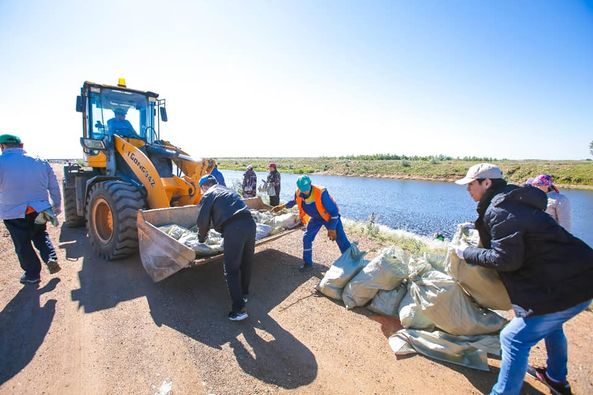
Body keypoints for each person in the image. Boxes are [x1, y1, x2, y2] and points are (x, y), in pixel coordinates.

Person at [454, 163, 593, 395]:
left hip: (569, 285)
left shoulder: (500, 210)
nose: (468, 189)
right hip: (579, 277)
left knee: (513, 338)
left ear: (486, 183)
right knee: (552, 326)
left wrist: (466, 253)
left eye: (471, 184)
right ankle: (556, 378)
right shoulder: (511, 202)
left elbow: (507, 259)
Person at [0, 134, 62, 284]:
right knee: (40, 234)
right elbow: (53, 185)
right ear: (21, 145)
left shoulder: (1, 162)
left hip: (13, 211)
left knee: (22, 243)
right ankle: (50, 257)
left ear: (2, 147)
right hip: (39, 209)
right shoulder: (40, 161)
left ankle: (32, 274)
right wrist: (57, 205)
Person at [196, 174, 256, 321]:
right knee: (246, 262)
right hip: (250, 224)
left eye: (201, 189)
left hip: (234, 228)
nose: (202, 191)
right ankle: (244, 295)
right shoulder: (228, 191)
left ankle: (239, 309)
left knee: (231, 269)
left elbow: (203, 221)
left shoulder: (209, 194)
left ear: (204, 186)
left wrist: (201, 238)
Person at [272, 175, 351, 272]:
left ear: (310, 184)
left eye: (306, 189)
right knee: (307, 238)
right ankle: (308, 264)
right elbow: (294, 201)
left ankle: (352, 262)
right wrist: (282, 206)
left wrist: (332, 228)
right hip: (316, 218)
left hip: (329, 217)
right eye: (302, 189)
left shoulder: (321, 192)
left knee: (341, 239)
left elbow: (334, 212)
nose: (305, 191)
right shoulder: (298, 192)